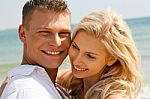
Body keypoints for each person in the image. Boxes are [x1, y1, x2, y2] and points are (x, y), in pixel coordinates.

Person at [56, 9, 142, 99]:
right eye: (75, 47)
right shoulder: (74, 79)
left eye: (90, 56)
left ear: (111, 59)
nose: (76, 61)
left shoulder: (112, 97)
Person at [0, 0, 71, 99]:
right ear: (23, 34)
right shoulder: (28, 91)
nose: (57, 43)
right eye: (45, 32)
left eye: (64, 33)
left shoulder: (49, 85)